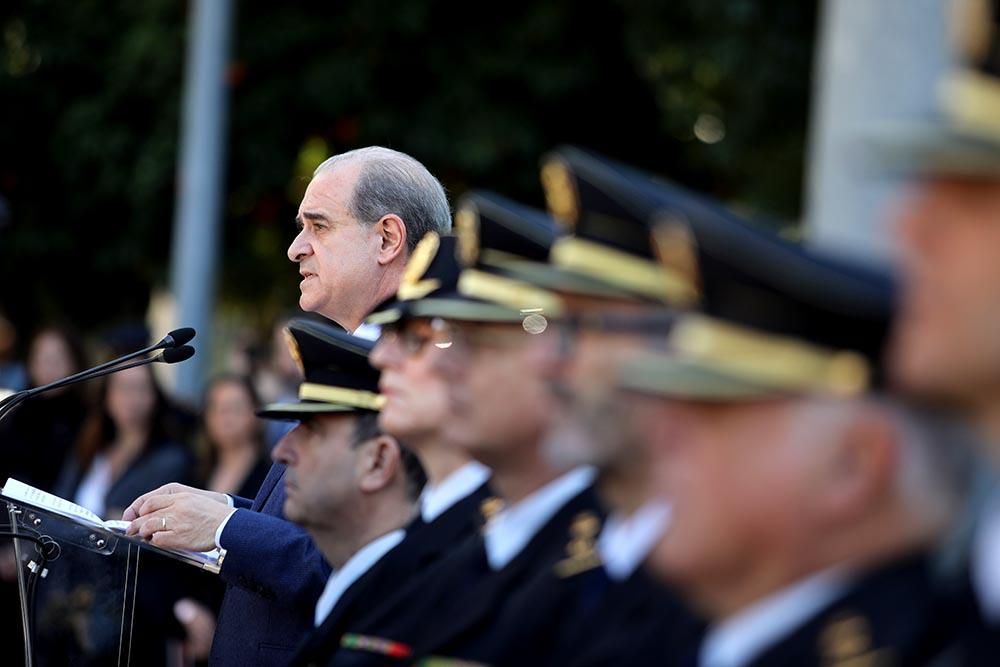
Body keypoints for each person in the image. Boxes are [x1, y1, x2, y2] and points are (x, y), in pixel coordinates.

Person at [122, 145, 451, 666]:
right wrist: (225, 511)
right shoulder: (355, 357)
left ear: (387, 238)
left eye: (318, 226)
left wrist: (229, 531)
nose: (296, 249)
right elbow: (320, 526)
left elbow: (373, 563)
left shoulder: (423, 375)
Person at [293, 236, 495, 664]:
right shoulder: (422, 538)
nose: (382, 357)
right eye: (389, 334)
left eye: (418, 339)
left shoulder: (489, 545)